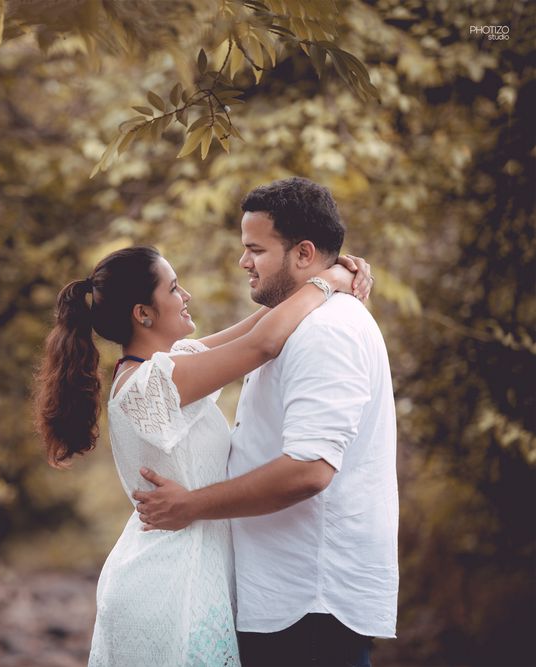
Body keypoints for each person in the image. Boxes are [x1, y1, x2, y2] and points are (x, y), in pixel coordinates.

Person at [32, 239, 372, 666]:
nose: (186, 295)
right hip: (171, 585)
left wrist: (317, 274)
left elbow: (256, 326)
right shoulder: (155, 382)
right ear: (143, 313)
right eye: (174, 289)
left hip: (188, 574)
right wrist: (330, 281)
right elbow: (261, 345)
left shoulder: (166, 368)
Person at [133, 177, 398, 667]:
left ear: (302, 253)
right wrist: (327, 278)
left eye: (255, 249)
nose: (243, 262)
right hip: (282, 598)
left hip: (310, 603)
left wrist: (191, 506)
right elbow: (251, 343)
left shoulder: (326, 331)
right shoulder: (295, 322)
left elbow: (309, 470)